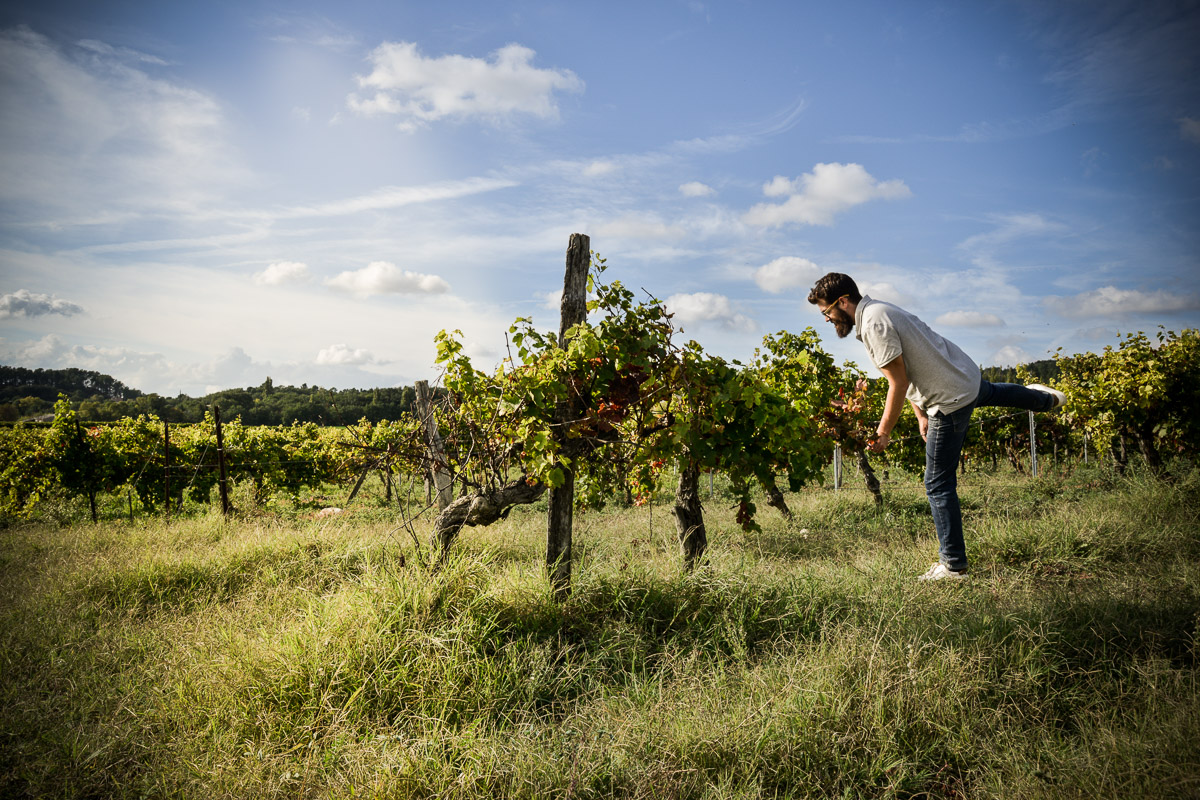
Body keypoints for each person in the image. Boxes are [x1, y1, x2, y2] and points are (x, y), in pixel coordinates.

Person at [807, 272, 1066, 582]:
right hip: (962, 377)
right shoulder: (880, 311)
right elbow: (915, 364)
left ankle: (954, 566)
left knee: (937, 483)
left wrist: (885, 431)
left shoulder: (874, 323)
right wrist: (919, 415)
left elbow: (898, 381)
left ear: (843, 302)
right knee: (993, 392)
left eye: (826, 312)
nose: (827, 319)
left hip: (948, 399)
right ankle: (1045, 400)